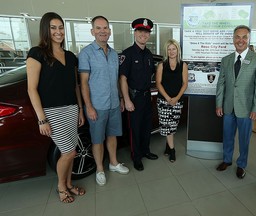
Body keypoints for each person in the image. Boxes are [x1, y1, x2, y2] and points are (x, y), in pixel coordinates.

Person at [26, 12, 85, 203]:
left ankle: (68, 184)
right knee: (69, 152)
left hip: (71, 109)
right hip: (53, 112)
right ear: (45, 29)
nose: (58, 31)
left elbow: (75, 85)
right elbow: (32, 89)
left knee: (71, 151)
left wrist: (80, 109)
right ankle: (61, 186)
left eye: (60, 27)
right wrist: (41, 119)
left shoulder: (70, 56)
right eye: (53, 28)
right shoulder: (37, 53)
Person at [78, 16, 129, 186]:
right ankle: (100, 168)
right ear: (92, 31)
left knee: (112, 135)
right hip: (96, 106)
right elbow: (83, 83)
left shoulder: (115, 54)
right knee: (97, 139)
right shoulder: (86, 53)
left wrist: (121, 98)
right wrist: (89, 106)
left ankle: (113, 163)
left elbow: (116, 79)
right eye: (98, 28)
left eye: (105, 28)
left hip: (114, 103)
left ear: (109, 31)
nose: (102, 31)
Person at [215, 25, 256, 179]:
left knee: (244, 139)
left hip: (247, 108)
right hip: (228, 107)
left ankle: (242, 164)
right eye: (238, 37)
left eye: (244, 37)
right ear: (233, 39)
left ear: (249, 39)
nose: (240, 40)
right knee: (227, 135)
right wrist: (219, 104)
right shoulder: (226, 60)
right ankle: (227, 160)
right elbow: (221, 84)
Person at [119, 18, 158, 171]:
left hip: (147, 97)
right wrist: (127, 100)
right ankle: (136, 157)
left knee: (146, 126)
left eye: (146, 32)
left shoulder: (149, 54)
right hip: (133, 98)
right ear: (135, 33)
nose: (143, 34)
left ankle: (146, 151)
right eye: (140, 31)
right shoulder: (127, 54)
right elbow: (122, 79)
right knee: (135, 129)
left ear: (149, 35)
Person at [155, 39, 188, 162]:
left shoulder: (183, 65)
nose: (171, 51)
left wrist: (176, 98)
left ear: (177, 50)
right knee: (166, 125)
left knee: (173, 125)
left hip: (177, 101)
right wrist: (168, 98)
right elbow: (158, 83)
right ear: (166, 51)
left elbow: (185, 83)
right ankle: (172, 150)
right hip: (164, 101)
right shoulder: (161, 65)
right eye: (169, 49)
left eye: (174, 49)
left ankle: (168, 146)